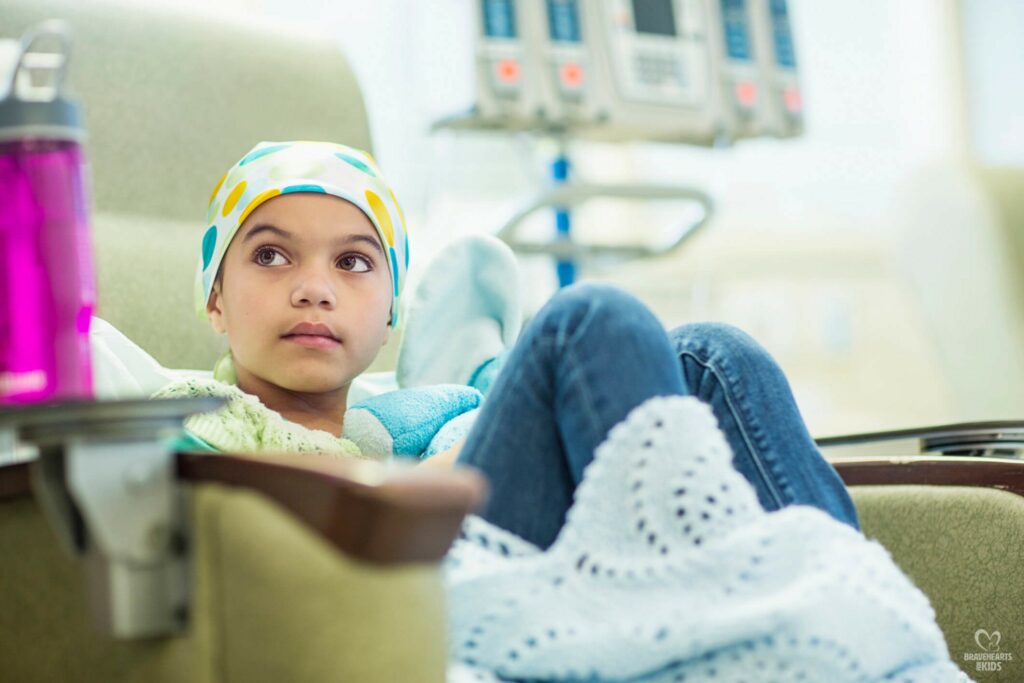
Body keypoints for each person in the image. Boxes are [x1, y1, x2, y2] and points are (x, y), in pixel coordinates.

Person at [155, 140, 966, 681]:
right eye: (271, 253)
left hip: (505, 549)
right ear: (215, 298)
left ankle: (878, 646)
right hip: (404, 592)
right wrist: (435, 482)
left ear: (391, 311)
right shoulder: (188, 421)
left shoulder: (407, 417)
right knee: (591, 320)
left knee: (715, 355)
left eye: (355, 262)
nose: (314, 287)